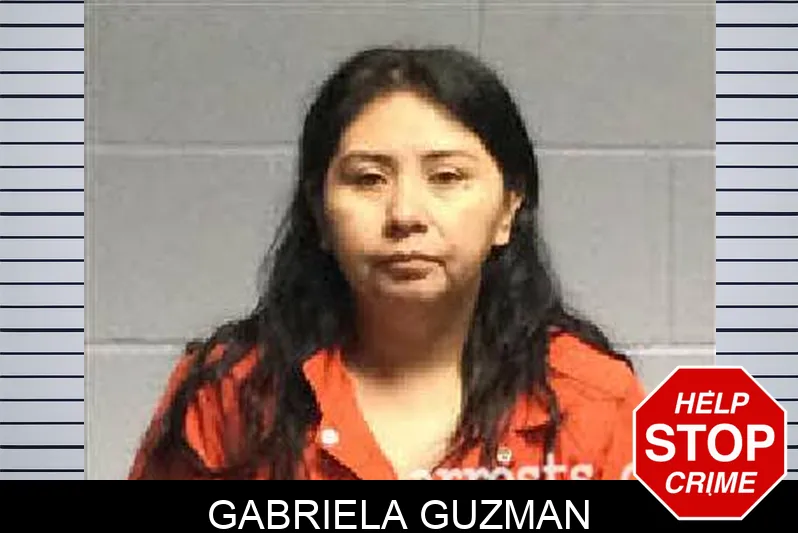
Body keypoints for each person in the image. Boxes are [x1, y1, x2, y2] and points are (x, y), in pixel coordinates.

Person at [128, 45, 646, 481]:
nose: (405, 215)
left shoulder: (593, 396)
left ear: (508, 210)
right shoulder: (230, 391)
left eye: (446, 177)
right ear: (319, 212)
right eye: (368, 179)